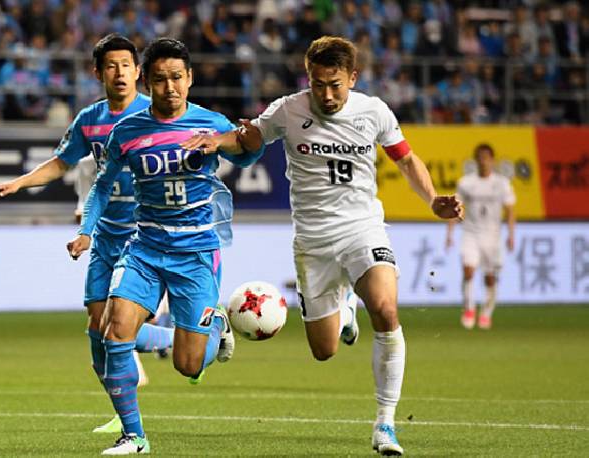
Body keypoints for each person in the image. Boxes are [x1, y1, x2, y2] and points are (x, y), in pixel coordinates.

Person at [180, 36, 463, 456]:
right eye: (318, 84)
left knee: (386, 309)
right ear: (307, 78)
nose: (327, 94)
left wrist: (433, 199)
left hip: (363, 229)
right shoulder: (288, 110)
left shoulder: (374, 111)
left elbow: (405, 158)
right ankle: (346, 306)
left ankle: (385, 423)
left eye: (335, 84)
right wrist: (219, 141)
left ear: (353, 77)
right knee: (324, 350)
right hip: (313, 242)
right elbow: (250, 139)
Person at [66, 37, 264, 455]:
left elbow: (248, 156)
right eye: (160, 80)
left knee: (188, 364)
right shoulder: (129, 130)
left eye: (177, 78)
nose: (169, 87)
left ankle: (216, 327)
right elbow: (103, 183)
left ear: (190, 79)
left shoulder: (210, 122)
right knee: (113, 330)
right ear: (148, 82)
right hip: (145, 247)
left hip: (194, 253)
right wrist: (87, 228)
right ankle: (134, 436)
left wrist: (230, 141)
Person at [0, 33, 174, 435]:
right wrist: (18, 184)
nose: (119, 72)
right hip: (106, 234)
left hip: (145, 233)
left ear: (139, 72)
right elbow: (60, 163)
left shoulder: (155, 113)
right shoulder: (90, 120)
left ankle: (183, 339)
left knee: (114, 328)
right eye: (111, 65)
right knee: (96, 329)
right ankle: (125, 406)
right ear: (97, 72)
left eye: (126, 65)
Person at [446, 143, 515, 330]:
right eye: (480, 157)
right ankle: (469, 309)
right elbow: (456, 207)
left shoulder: (501, 183)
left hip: (493, 235)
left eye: (487, 157)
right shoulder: (466, 183)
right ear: (476, 160)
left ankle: (486, 312)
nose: (484, 161)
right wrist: (450, 234)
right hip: (471, 233)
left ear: (492, 160)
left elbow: (509, 210)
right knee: (468, 270)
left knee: (490, 278)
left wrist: (511, 235)